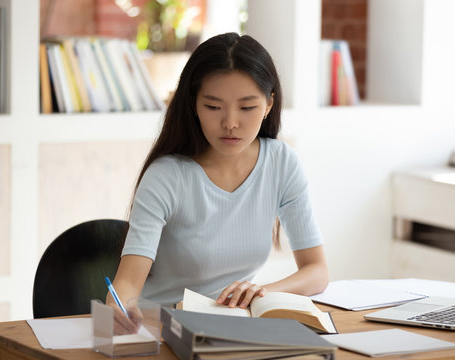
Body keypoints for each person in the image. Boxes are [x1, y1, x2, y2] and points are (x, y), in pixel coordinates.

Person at [107, 32, 329, 333]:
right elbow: (128, 283)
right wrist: (120, 306)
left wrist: (261, 292)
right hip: (163, 330)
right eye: (213, 107)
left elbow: (316, 271)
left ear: (268, 104)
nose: (230, 123)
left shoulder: (281, 162)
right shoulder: (166, 176)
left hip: (231, 327)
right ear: (193, 105)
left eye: (247, 107)